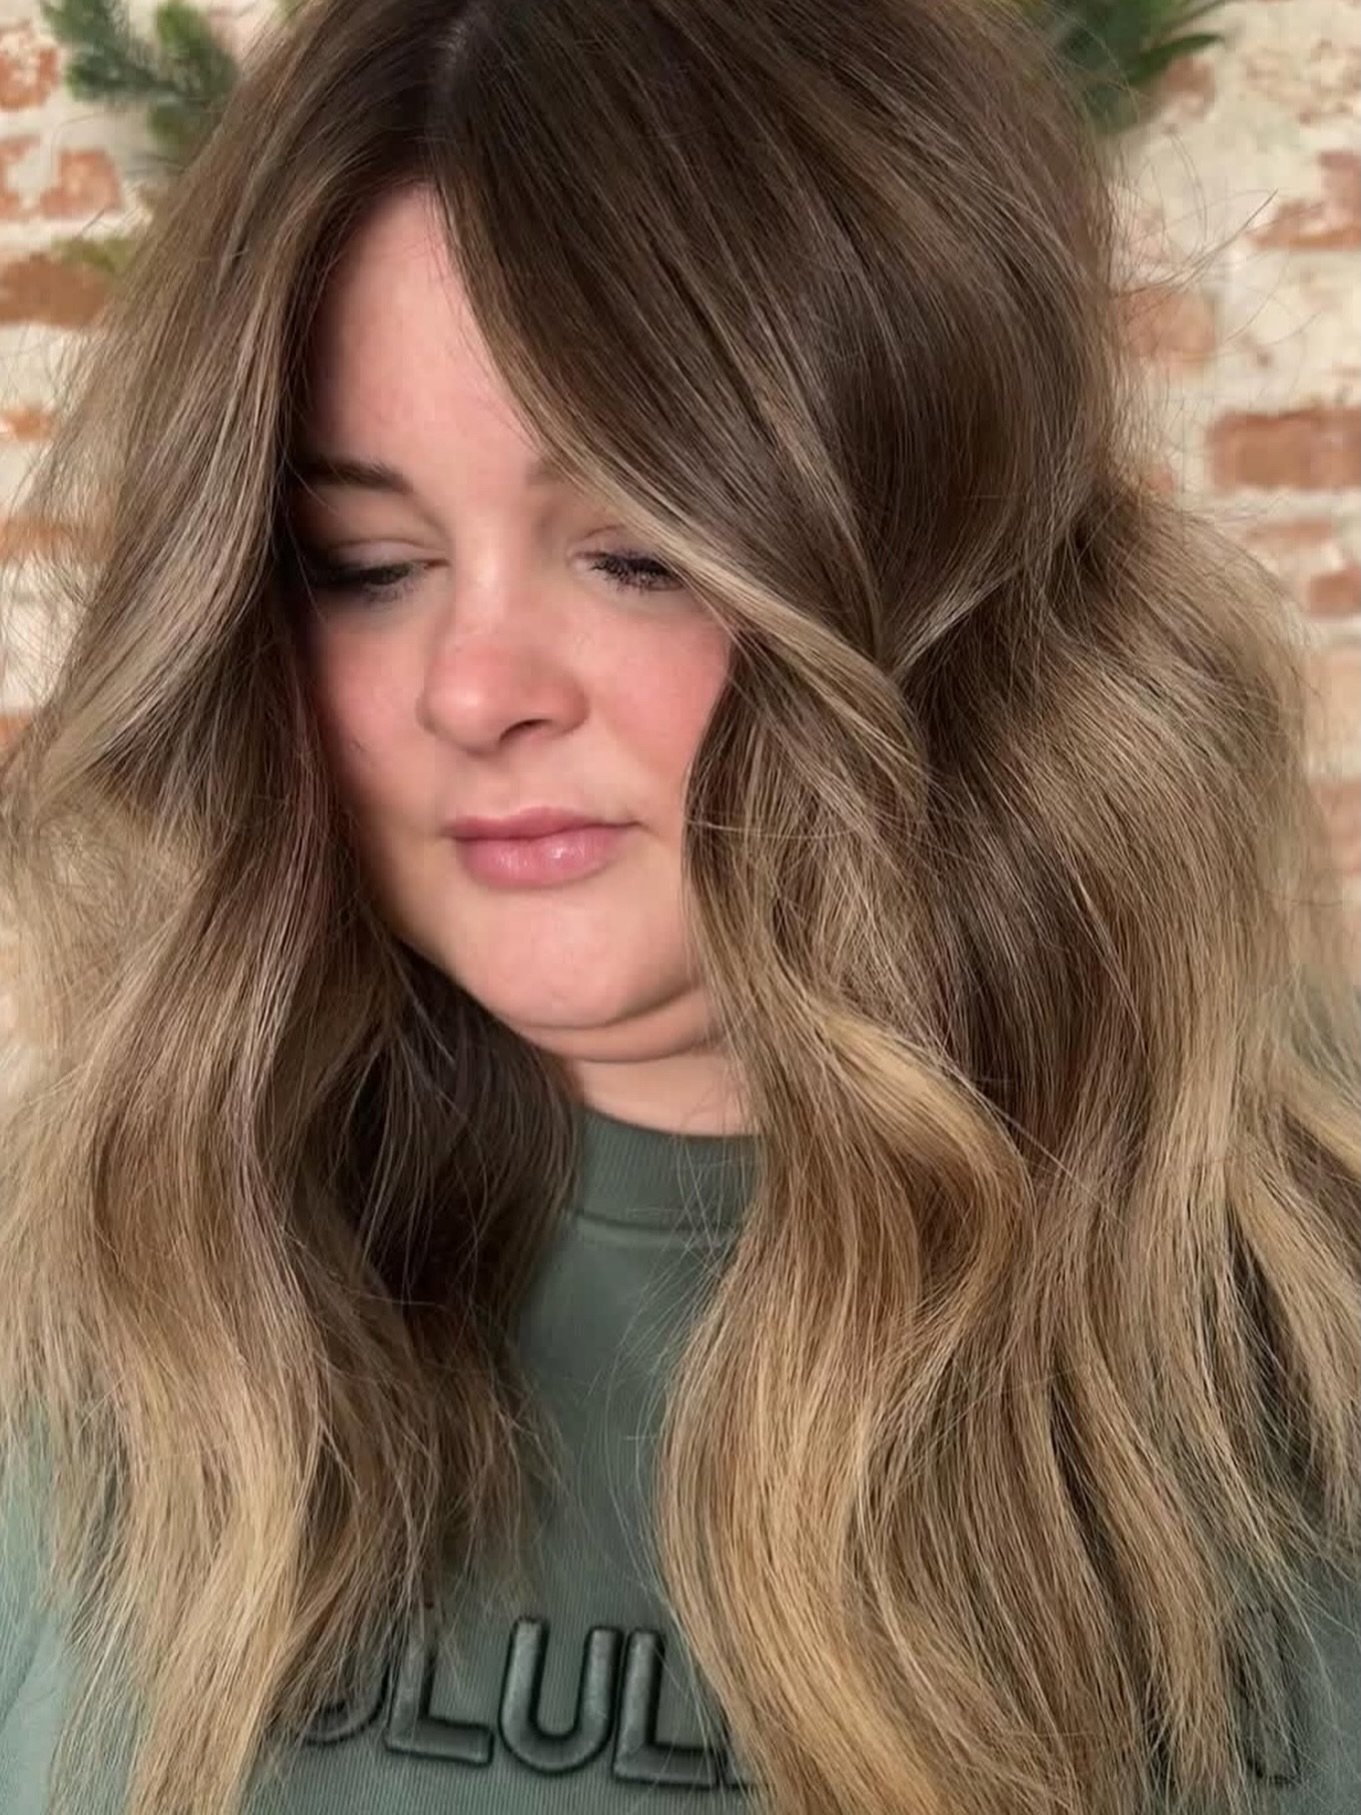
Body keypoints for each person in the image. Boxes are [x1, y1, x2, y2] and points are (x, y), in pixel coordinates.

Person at [1, 0, 1358, 1811]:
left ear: (932, 559)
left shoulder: (1299, 1299)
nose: (474, 689)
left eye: (636, 549)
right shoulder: (100, 1279)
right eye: (368, 566)